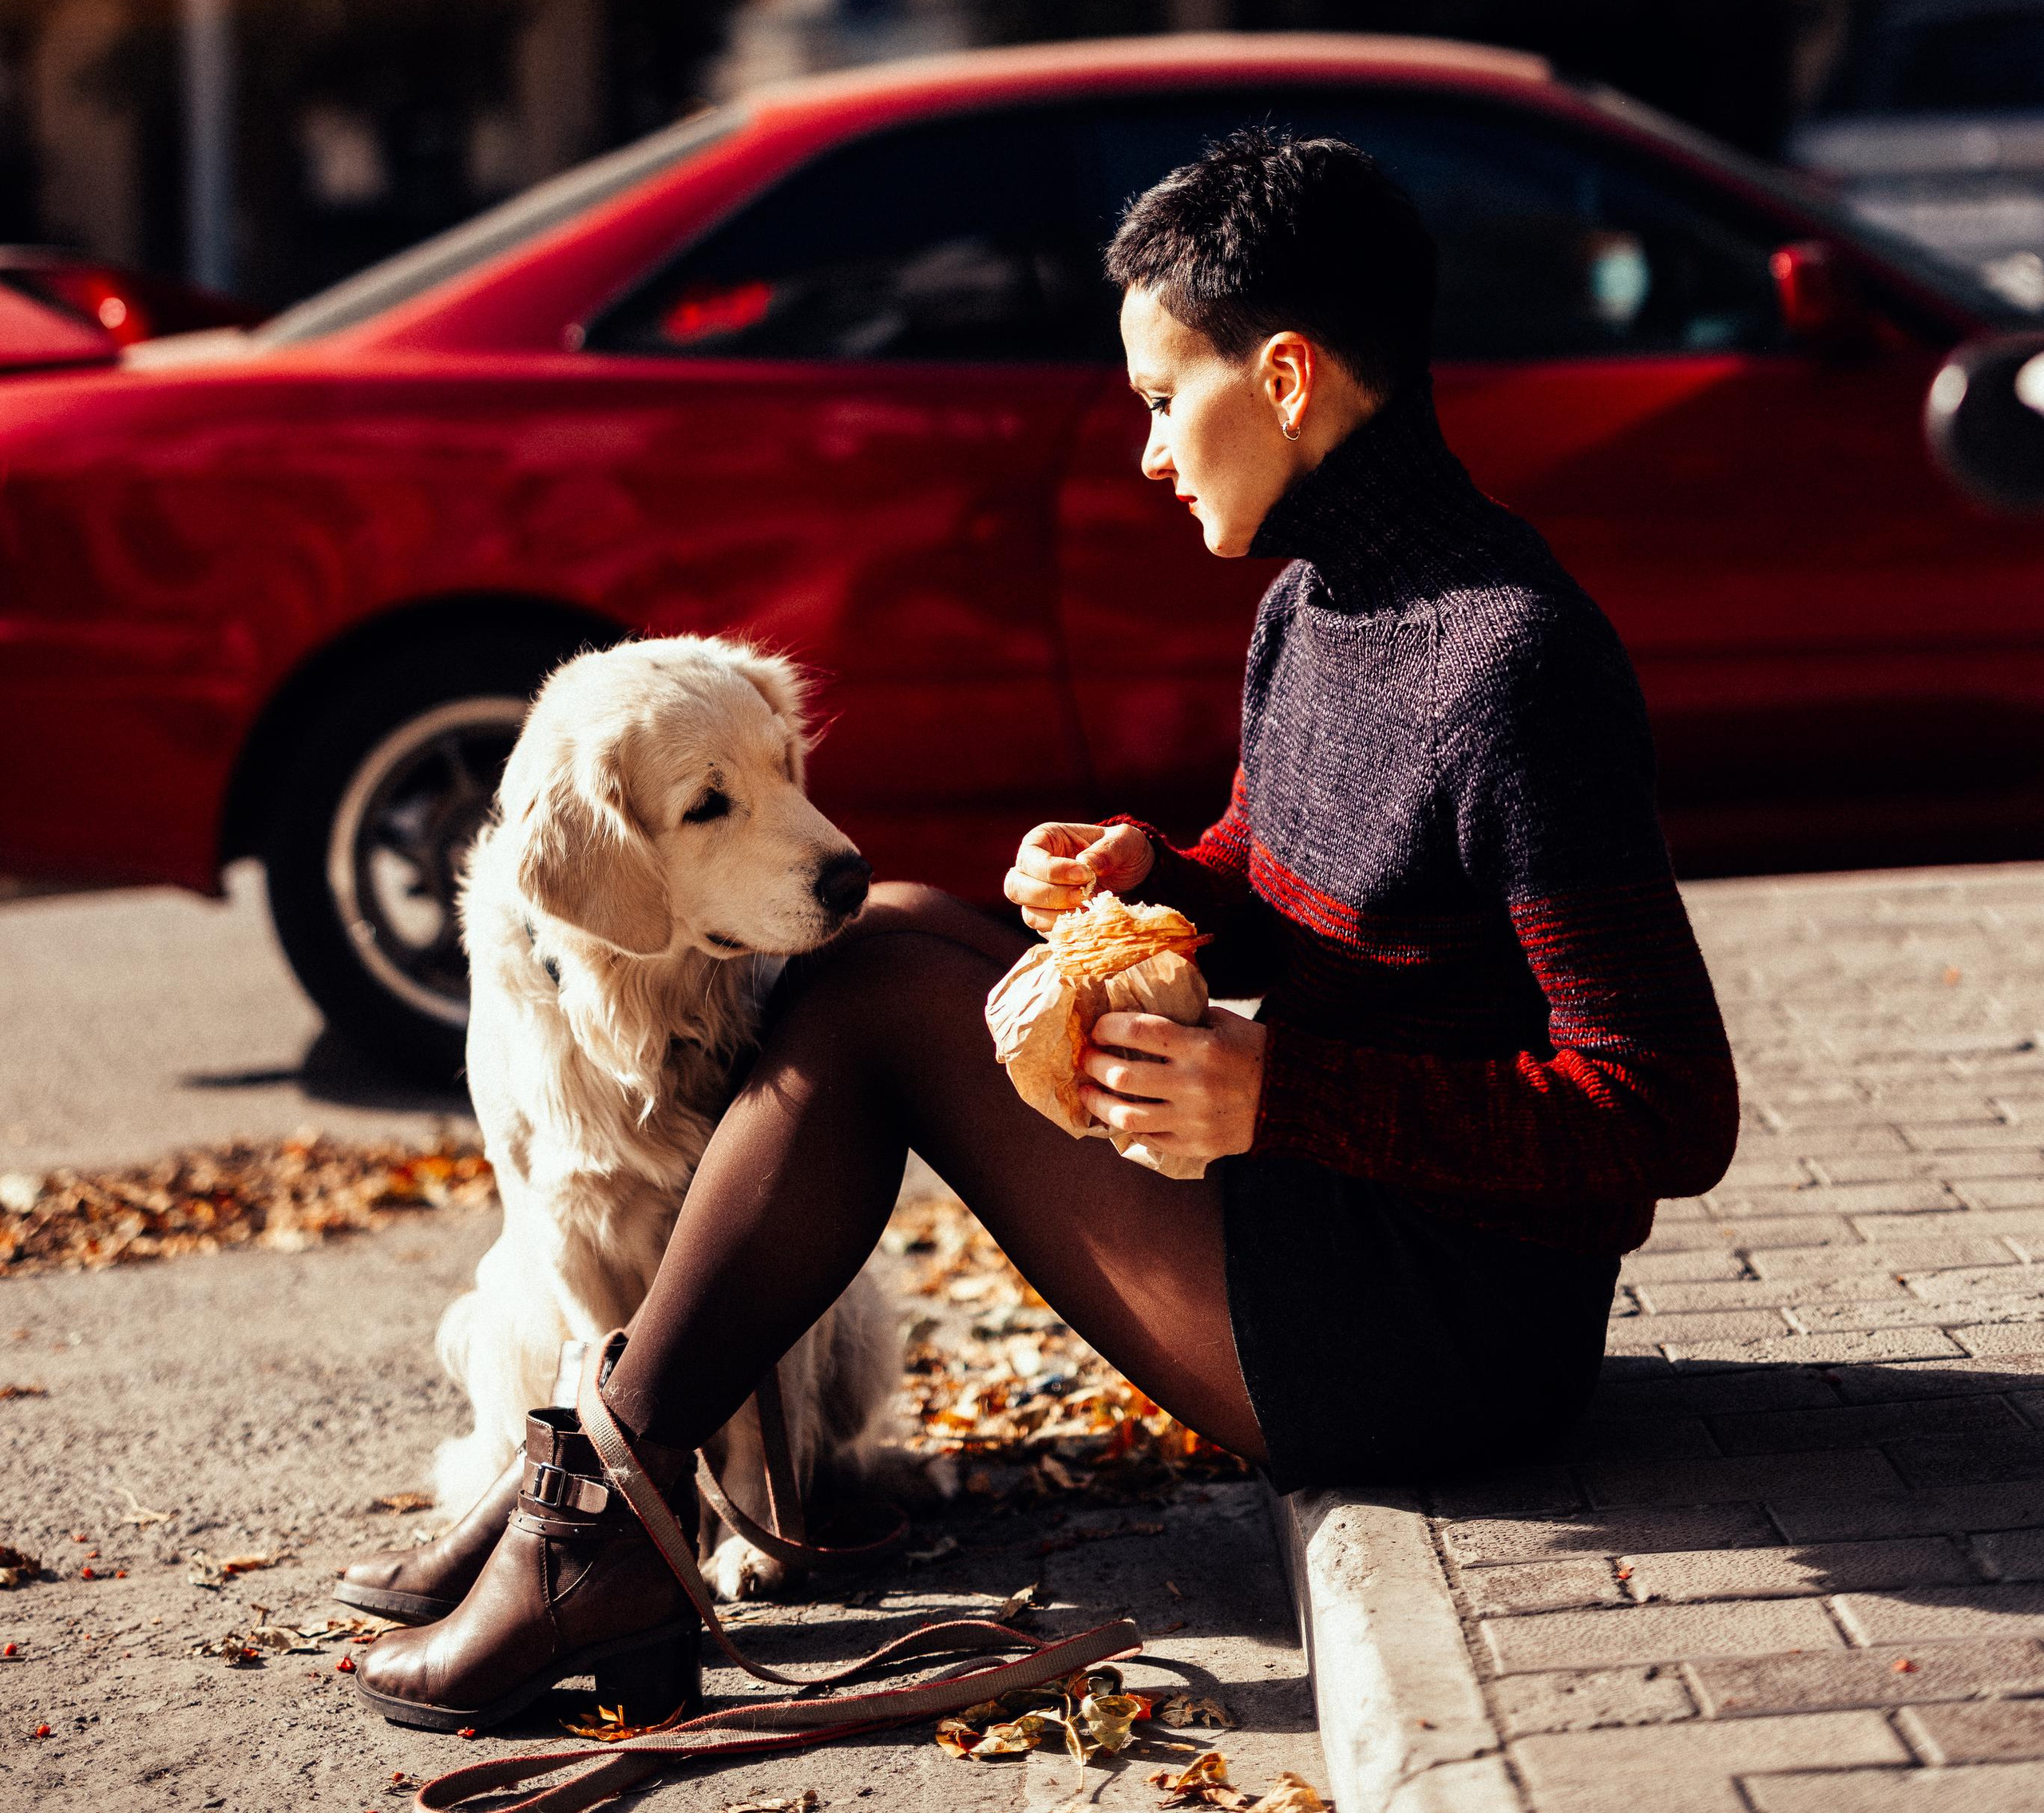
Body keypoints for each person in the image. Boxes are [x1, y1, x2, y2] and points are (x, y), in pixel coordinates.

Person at [354, 128, 1739, 1734]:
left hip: (1441, 1338)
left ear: (1285, 376)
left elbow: (1666, 1109)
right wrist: (1162, 875)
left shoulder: (1515, 664)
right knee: (895, 923)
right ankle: (607, 1492)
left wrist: (1278, 1092)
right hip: (1323, 1207)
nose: (1147, 450)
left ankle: (591, 1520)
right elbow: (1312, 888)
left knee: (873, 995)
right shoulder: (1313, 604)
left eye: (1160, 397)